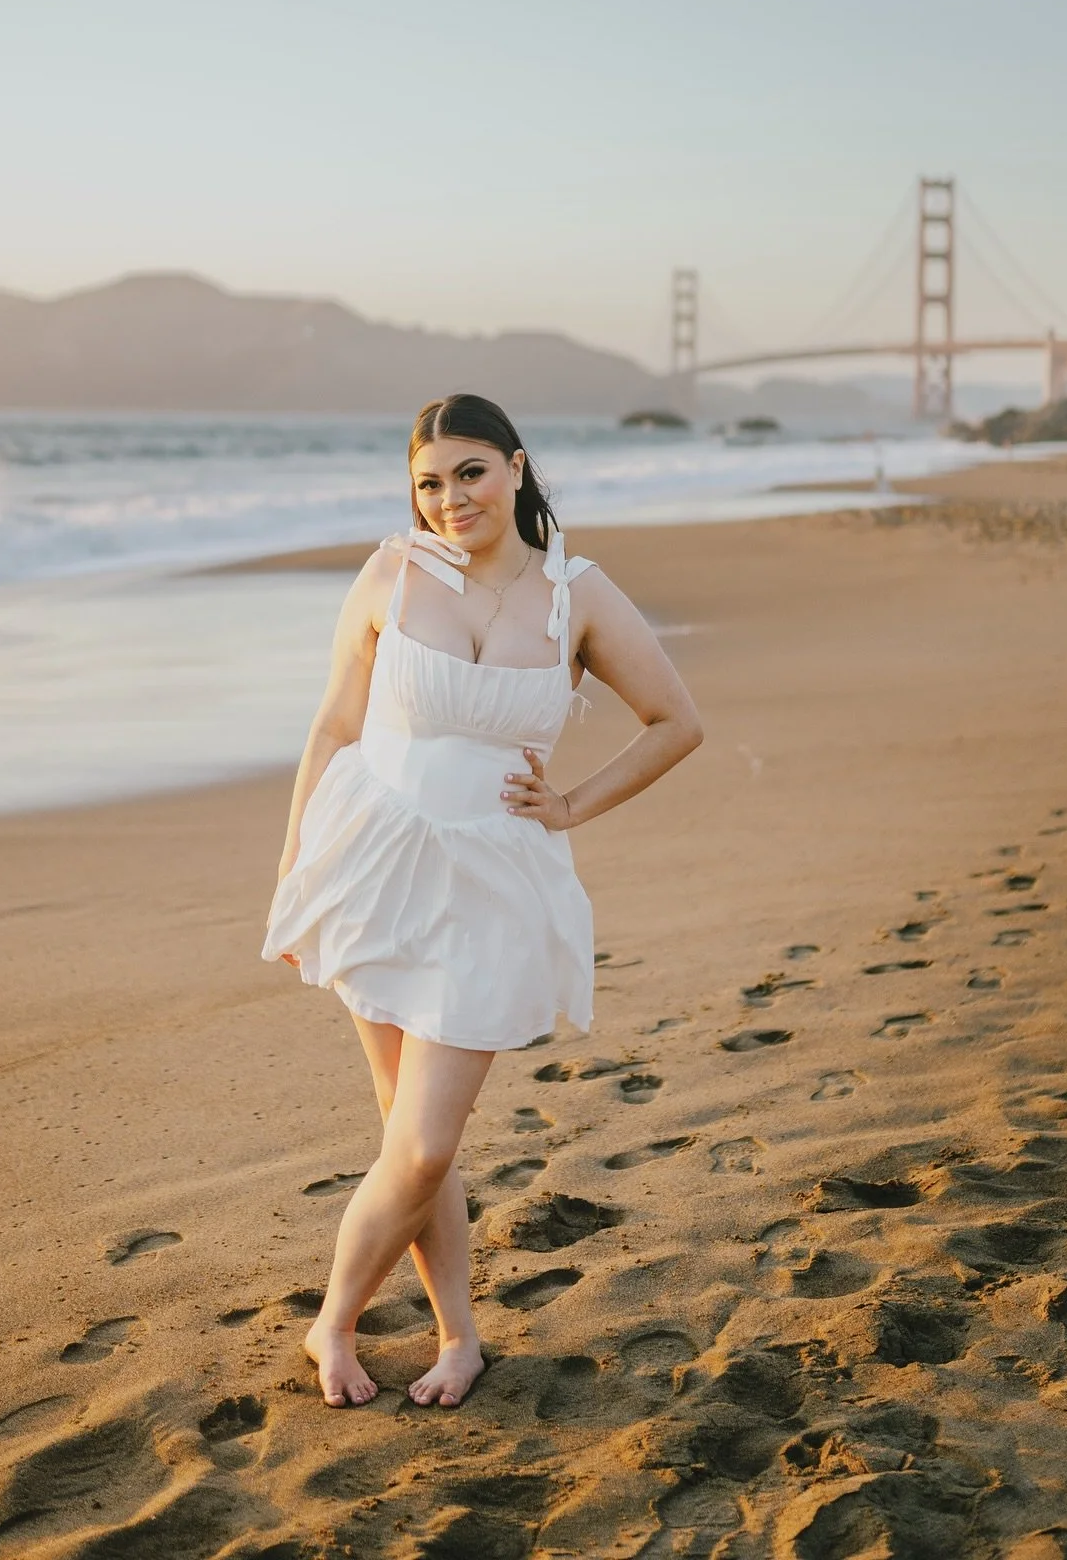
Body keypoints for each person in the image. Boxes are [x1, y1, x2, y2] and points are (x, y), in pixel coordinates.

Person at [262, 393, 704, 1408]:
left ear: (515, 467)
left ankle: (332, 1322)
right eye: (429, 482)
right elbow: (333, 726)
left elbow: (677, 721)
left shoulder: (577, 595)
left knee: (425, 1144)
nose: (450, 498)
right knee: (408, 1137)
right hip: (373, 862)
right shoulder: (392, 572)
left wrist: (571, 806)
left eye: (470, 473)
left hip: (491, 885)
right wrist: (294, 874)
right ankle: (458, 1335)